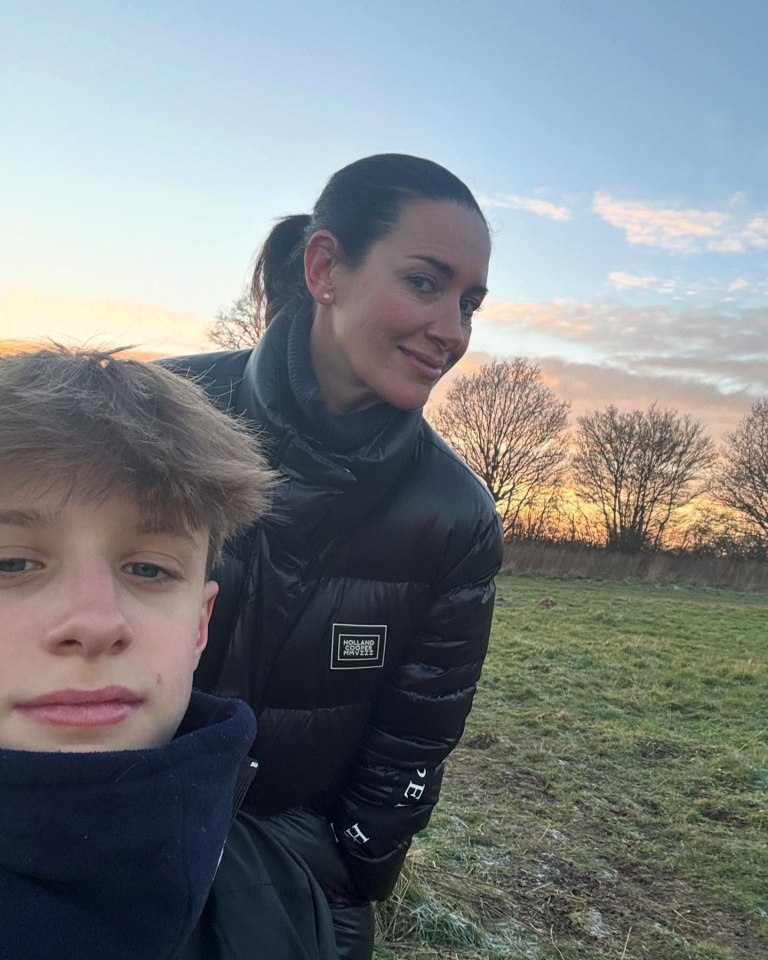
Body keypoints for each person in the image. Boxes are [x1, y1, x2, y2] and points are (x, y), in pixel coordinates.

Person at [166, 153, 504, 959]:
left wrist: (344, 870)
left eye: (470, 303)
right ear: (324, 267)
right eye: (425, 283)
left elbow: (416, 737)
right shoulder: (161, 421)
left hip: (297, 878)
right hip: (96, 834)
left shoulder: (456, 515)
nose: (452, 330)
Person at [0, 347, 336, 960]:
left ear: (201, 625)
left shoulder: (285, 898)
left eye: (149, 569)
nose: (96, 623)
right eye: (12, 562)